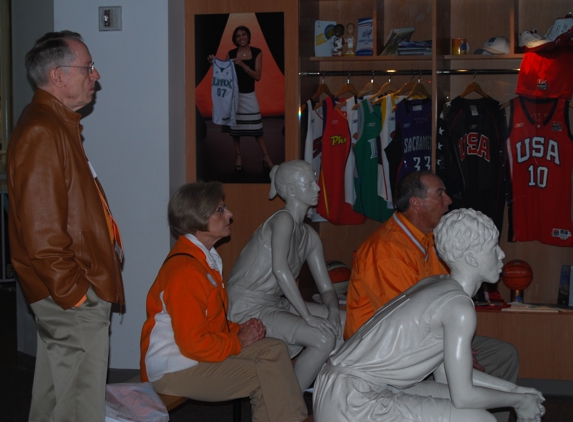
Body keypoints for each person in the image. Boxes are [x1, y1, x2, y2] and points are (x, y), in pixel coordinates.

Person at [313, 209, 545, 422]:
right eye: (494, 247)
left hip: (338, 386)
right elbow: (464, 397)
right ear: (472, 259)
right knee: (480, 420)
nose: (502, 254)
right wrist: (519, 401)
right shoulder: (459, 307)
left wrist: (515, 391)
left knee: (473, 413)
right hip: (352, 400)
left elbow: (445, 376)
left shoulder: (436, 283)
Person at [7, 31, 125, 421]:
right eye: (88, 67)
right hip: (72, 294)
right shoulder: (44, 130)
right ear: (58, 76)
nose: (96, 74)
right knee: (79, 406)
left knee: (56, 396)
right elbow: (41, 233)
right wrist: (76, 294)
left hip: (69, 290)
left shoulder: (55, 123)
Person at [344, 170, 519, 422]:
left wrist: (460, 346)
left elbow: (448, 297)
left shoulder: (429, 241)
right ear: (416, 203)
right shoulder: (385, 249)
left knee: (504, 354)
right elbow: (405, 331)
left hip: (423, 341)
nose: (448, 200)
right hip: (385, 359)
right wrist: (456, 352)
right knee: (469, 374)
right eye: (440, 194)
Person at [140, 182, 307, 422]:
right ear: (197, 219)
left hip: (192, 357)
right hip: (173, 369)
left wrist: (241, 330)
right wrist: (238, 341)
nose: (229, 214)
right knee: (270, 376)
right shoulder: (186, 271)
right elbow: (194, 344)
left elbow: (210, 323)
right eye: (220, 210)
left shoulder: (203, 260)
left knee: (275, 349)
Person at [227, 160, 343, 391]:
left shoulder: (309, 235)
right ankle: (287, 405)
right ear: (291, 191)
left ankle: (325, 392)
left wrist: (333, 311)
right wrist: (308, 318)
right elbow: (280, 271)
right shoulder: (283, 219)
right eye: (309, 183)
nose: (318, 188)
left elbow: (327, 290)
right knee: (322, 338)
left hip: (275, 303)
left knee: (346, 323)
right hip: (246, 307)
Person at [208, 25, 274, 172]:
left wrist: (242, 64)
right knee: (235, 130)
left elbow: (257, 76)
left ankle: (266, 156)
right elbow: (223, 73)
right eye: (238, 36)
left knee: (257, 130)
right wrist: (214, 63)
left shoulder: (257, 52)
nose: (241, 37)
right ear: (235, 39)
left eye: (244, 34)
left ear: (249, 36)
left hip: (249, 95)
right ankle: (238, 155)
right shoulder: (230, 53)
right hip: (234, 97)